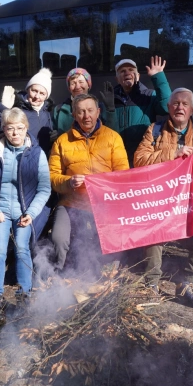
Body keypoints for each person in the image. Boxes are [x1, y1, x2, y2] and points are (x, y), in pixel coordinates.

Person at [133, 88, 193, 310]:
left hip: (187, 206)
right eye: (175, 103)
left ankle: (185, 282)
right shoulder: (155, 130)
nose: (180, 107)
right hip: (159, 202)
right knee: (153, 227)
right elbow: (139, 161)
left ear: (191, 109)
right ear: (169, 107)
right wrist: (172, 154)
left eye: (184, 104)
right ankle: (150, 285)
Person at [0, 108, 51, 320]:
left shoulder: (36, 154)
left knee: (22, 250)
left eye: (19, 128)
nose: (15, 133)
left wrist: (32, 213)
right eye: (10, 129)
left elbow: (44, 188)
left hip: (23, 213)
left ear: (26, 129)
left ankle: (25, 295)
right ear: (4, 130)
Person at [49, 93, 129, 271]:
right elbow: (53, 177)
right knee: (58, 238)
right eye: (81, 112)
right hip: (72, 202)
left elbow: (122, 174)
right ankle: (58, 277)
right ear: (74, 115)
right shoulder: (63, 141)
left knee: (108, 240)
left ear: (98, 112)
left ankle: (104, 276)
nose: (87, 116)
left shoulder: (113, 137)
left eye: (90, 110)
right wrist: (68, 182)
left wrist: (103, 185)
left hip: (105, 202)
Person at [100, 56, 171, 164]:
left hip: (143, 159)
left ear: (138, 76)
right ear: (117, 78)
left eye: (131, 70)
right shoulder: (108, 99)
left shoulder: (149, 95)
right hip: (117, 160)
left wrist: (158, 77)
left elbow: (166, 108)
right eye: (122, 71)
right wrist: (109, 108)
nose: (127, 73)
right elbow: (107, 134)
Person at [0, 68, 54, 155]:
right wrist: (2, 108)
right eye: (34, 91)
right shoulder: (14, 106)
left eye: (42, 93)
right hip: (17, 158)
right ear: (28, 89)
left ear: (46, 96)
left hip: (40, 159)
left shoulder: (47, 111)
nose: (37, 96)